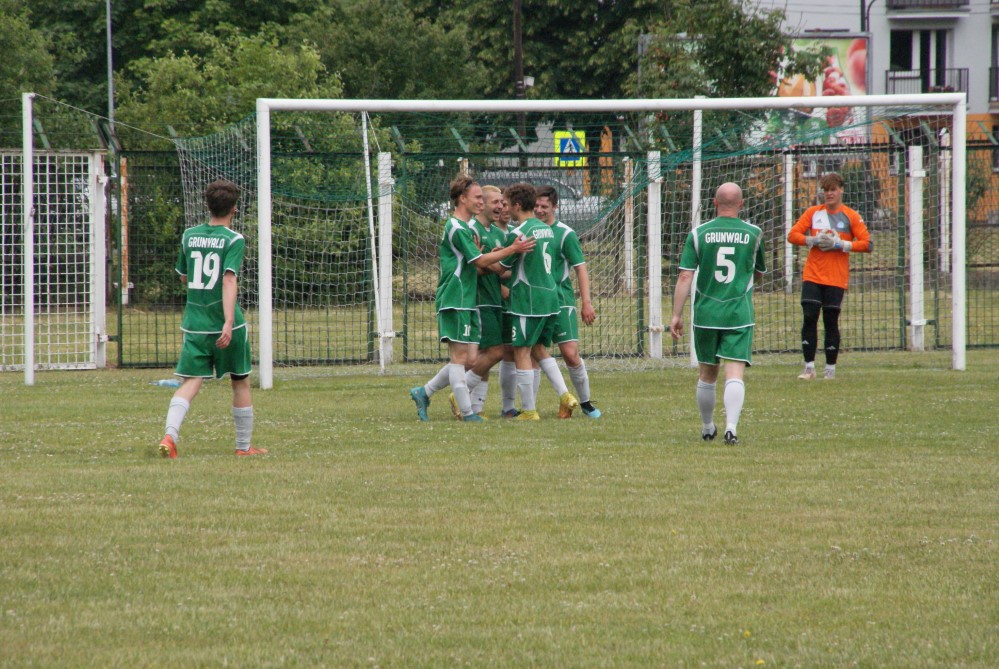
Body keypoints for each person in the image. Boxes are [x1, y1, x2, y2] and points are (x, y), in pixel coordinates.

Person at [409, 175, 534, 422]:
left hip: (466, 299)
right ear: (462, 198)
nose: (481, 202)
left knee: (471, 359)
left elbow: (482, 262)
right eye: (477, 197)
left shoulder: (465, 228)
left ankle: (424, 392)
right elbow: (478, 261)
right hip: (455, 297)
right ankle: (468, 413)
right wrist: (511, 250)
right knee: (459, 359)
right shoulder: (456, 228)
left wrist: (497, 255)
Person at [158, 179, 266, 458]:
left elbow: (184, 277)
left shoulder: (189, 236)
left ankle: (170, 436)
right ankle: (243, 447)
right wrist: (228, 322)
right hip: (226, 324)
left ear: (208, 206)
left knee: (192, 381)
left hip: (195, 324)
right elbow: (229, 279)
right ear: (234, 208)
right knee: (240, 380)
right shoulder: (234, 239)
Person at [669, 182, 766, 446]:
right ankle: (731, 428)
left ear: (714, 202)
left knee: (707, 373)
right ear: (741, 204)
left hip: (706, 314)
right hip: (738, 314)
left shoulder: (698, 234)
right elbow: (758, 272)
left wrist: (676, 315)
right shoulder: (754, 233)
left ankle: (707, 427)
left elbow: (685, 276)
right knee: (734, 371)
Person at [499, 182, 575, 421]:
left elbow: (501, 268)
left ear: (517, 205)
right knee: (539, 349)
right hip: (550, 298)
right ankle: (565, 395)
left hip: (528, 300)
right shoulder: (547, 229)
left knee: (521, 351)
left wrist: (485, 258)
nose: (505, 209)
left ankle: (529, 410)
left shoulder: (518, 234)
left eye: (507, 204)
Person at [787, 171, 871, 380]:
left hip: (836, 277)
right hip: (813, 275)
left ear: (841, 190)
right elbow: (792, 235)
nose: (829, 194)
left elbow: (867, 244)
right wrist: (812, 240)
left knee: (830, 320)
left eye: (833, 189)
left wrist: (841, 244)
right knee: (809, 317)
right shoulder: (813, 213)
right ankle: (809, 368)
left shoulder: (851, 216)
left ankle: (830, 370)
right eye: (825, 190)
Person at [534, 185, 601, 419]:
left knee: (570, 354)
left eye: (544, 206)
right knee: (532, 353)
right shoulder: (529, 230)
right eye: (536, 205)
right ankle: (529, 407)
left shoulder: (565, 234)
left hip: (561, 300)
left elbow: (580, 268)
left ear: (555, 207)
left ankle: (586, 403)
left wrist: (586, 302)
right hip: (535, 302)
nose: (539, 210)